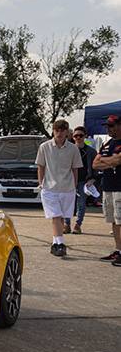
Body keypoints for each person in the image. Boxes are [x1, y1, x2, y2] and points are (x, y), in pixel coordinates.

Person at [37, 120, 83, 258]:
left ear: (67, 132)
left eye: (62, 130)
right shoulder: (44, 147)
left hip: (67, 188)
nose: (59, 133)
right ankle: (61, 244)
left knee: (60, 217)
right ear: (53, 131)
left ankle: (55, 243)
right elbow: (41, 166)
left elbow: (75, 169)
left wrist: (74, 185)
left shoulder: (73, 149)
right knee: (56, 216)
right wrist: (41, 183)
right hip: (49, 187)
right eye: (57, 130)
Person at [93, 114, 121, 266]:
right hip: (108, 187)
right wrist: (111, 161)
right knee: (114, 221)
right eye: (107, 126)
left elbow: (118, 159)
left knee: (120, 220)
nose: (108, 129)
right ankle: (118, 250)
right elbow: (95, 164)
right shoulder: (107, 143)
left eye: (111, 126)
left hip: (120, 188)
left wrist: (107, 161)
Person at [64, 126, 97, 235]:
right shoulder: (68, 150)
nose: (78, 138)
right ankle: (66, 224)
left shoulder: (91, 151)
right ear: (72, 137)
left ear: (85, 136)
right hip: (69, 180)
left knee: (81, 204)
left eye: (80, 135)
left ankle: (78, 225)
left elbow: (95, 167)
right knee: (67, 203)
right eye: (76, 136)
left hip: (84, 181)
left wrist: (92, 179)